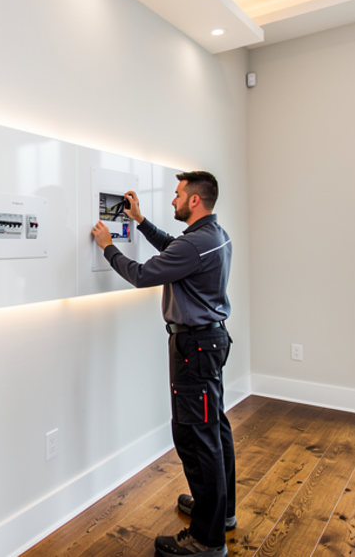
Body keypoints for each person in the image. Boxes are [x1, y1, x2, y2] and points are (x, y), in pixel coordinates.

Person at [90, 171, 235, 557]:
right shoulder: (212, 235)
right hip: (210, 342)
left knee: (196, 437)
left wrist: (108, 247)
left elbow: (141, 275)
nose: (173, 200)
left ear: (194, 201)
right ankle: (220, 513)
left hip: (194, 349)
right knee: (214, 429)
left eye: (177, 194)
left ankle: (207, 538)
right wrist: (139, 221)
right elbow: (174, 248)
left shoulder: (196, 243)